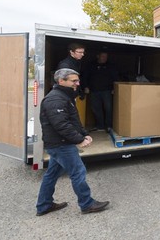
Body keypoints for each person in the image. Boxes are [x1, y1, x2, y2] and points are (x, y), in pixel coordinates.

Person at [36, 68, 109, 216]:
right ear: (61, 81)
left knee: (51, 175)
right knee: (78, 172)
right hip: (60, 145)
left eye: (78, 80)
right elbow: (61, 125)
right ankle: (87, 204)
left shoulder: (65, 96)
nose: (77, 83)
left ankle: (44, 205)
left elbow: (72, 119)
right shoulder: (55, 99)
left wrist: (84, 134)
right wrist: (79, 139)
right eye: (73, 81)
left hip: (58, 144)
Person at [83, 52, 118, 133]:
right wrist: (86, 86)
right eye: (103, 56)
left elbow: (115, 77)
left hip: (107, 91)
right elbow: (85, 76)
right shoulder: (91, 65)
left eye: (106, 56)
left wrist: (114, 88)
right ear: (98, 56)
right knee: (96, 109)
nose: (105, 58)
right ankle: (100, 126)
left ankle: (109, 126)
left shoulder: (110, 66)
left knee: (108, 108)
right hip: (93, 90)